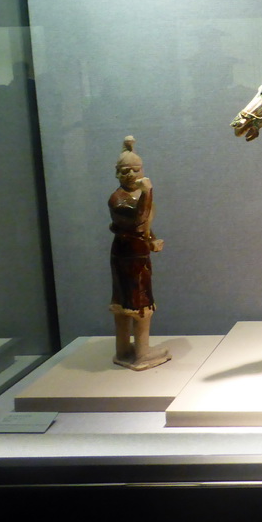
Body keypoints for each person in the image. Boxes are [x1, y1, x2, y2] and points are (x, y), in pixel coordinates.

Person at [108, 135, 170, 370]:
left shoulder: (133, 196)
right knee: (138, 301)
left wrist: (152, 240)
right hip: (129, 256)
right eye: (125, 171)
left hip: (136, 251)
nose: (130, 175)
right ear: (117, 174)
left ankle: (125, 350)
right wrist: (148, 193)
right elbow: (137, 218)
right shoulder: (118, 199)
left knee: (128, 300)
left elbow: (144, 226)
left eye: (135, 170)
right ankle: (139, 353)